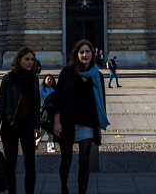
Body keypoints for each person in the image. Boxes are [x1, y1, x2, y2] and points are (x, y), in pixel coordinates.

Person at [53, 38, 109, 194]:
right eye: (82, 52)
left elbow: (101, 103)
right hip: (67, 123)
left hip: (88, 124)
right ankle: (64, 188)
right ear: (76, 54)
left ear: (93, 53)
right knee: (66, 161)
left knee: (84, 161)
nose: (85, 55)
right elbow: (58, 98)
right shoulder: (67, 72)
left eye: (88, 51)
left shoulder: (97, 75)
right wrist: (57, 122)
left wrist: (98, 127)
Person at [0, 45, 41, 194]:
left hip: (27, 126)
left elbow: (36, 105)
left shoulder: (34, 79)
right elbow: (1, 104)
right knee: (10, 165)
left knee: (30, 164)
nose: (30, 62)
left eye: (32, 59)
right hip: (10, 126)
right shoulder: (8, 79)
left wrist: (37, 126)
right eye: (27, 59)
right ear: (18, 60)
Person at [41, 74, 57, 153]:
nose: (50, 80)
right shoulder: (41, 88)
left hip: (52, 111)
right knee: (42, 128)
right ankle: (36, 142)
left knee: (51, 130)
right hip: (43, 111)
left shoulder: (55, 90)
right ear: (44, 80)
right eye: (48, 79)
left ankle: (50, 146)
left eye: (51, 79)